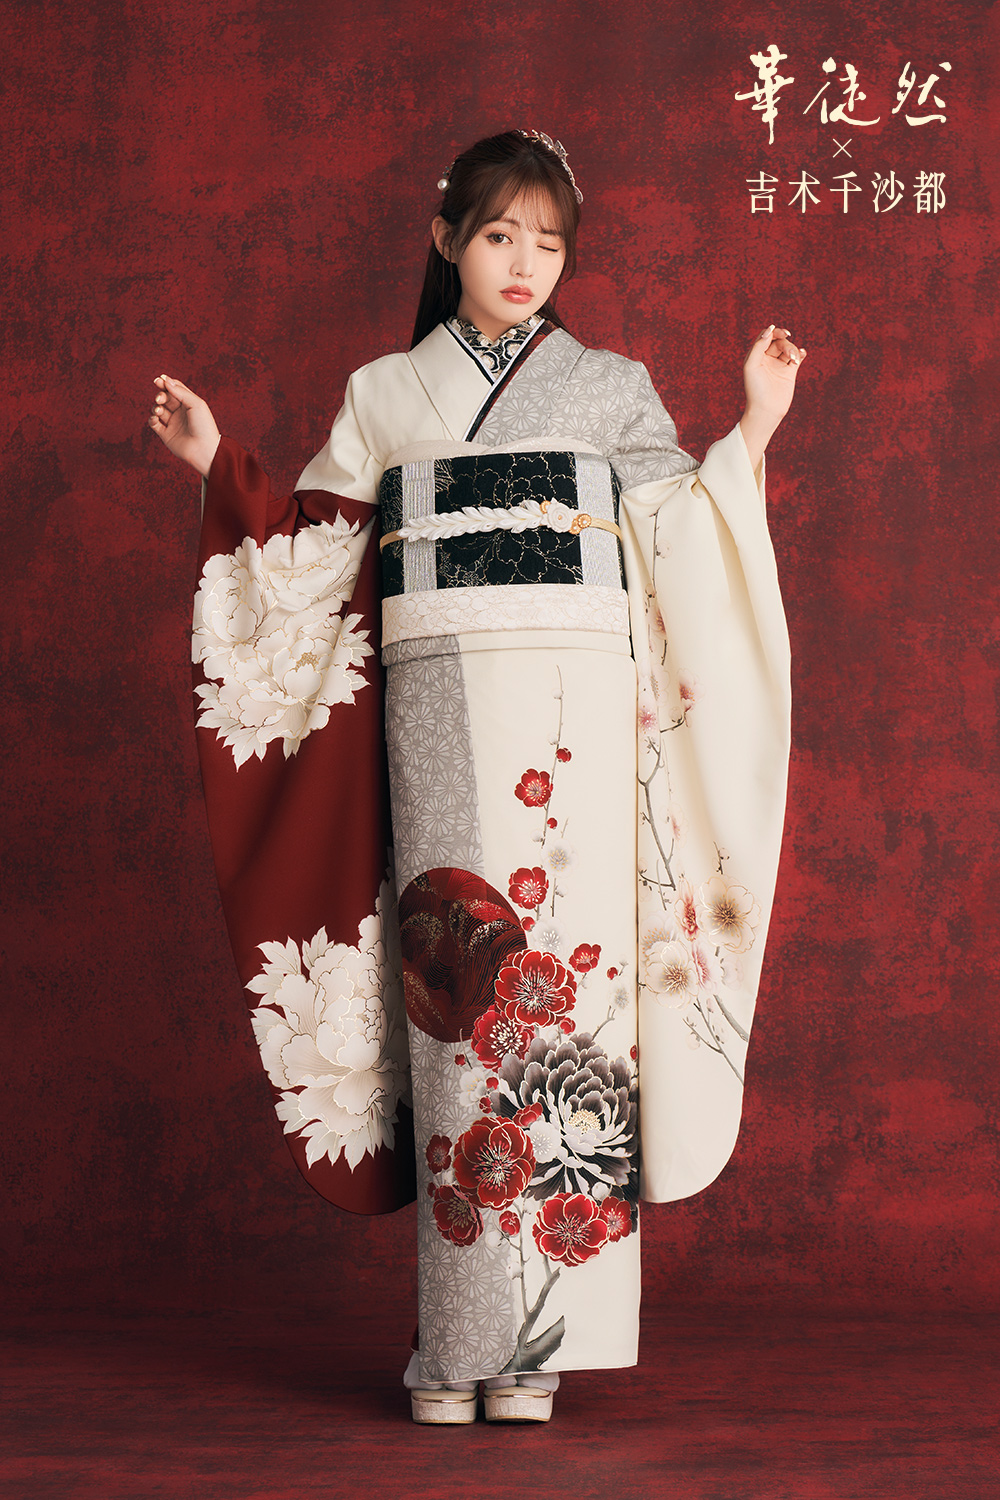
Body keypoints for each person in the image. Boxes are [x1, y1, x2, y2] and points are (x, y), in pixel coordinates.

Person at [149, 129, 802, 1425]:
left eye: (548, 243)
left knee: (574, 1000)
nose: (524, 263)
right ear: (446, 238)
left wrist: (756, 427)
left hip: (580, 714)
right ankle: (455, 1341)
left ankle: (540, 1342)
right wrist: (218, 466)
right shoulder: (386, 393)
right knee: (461, 985)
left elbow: (686, 534)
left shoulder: (609, 387)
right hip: (441, 703)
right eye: (500, 234)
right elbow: (316, 553)